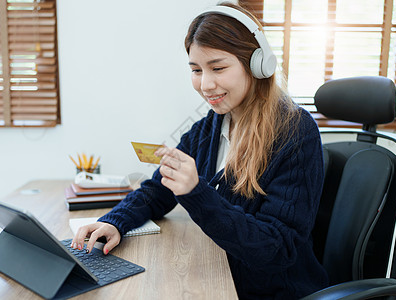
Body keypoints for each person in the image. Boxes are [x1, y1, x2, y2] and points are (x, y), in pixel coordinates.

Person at [72, 2, 329, 299]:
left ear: (258, 64)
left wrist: (196, 192)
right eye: (196, 70)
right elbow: (159, 188)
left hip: (270, 291)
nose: (205, 84)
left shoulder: (295, 131)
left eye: (218, 68)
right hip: (220, 275)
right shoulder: (212, 125)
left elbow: (277, 250)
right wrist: (115, 221)